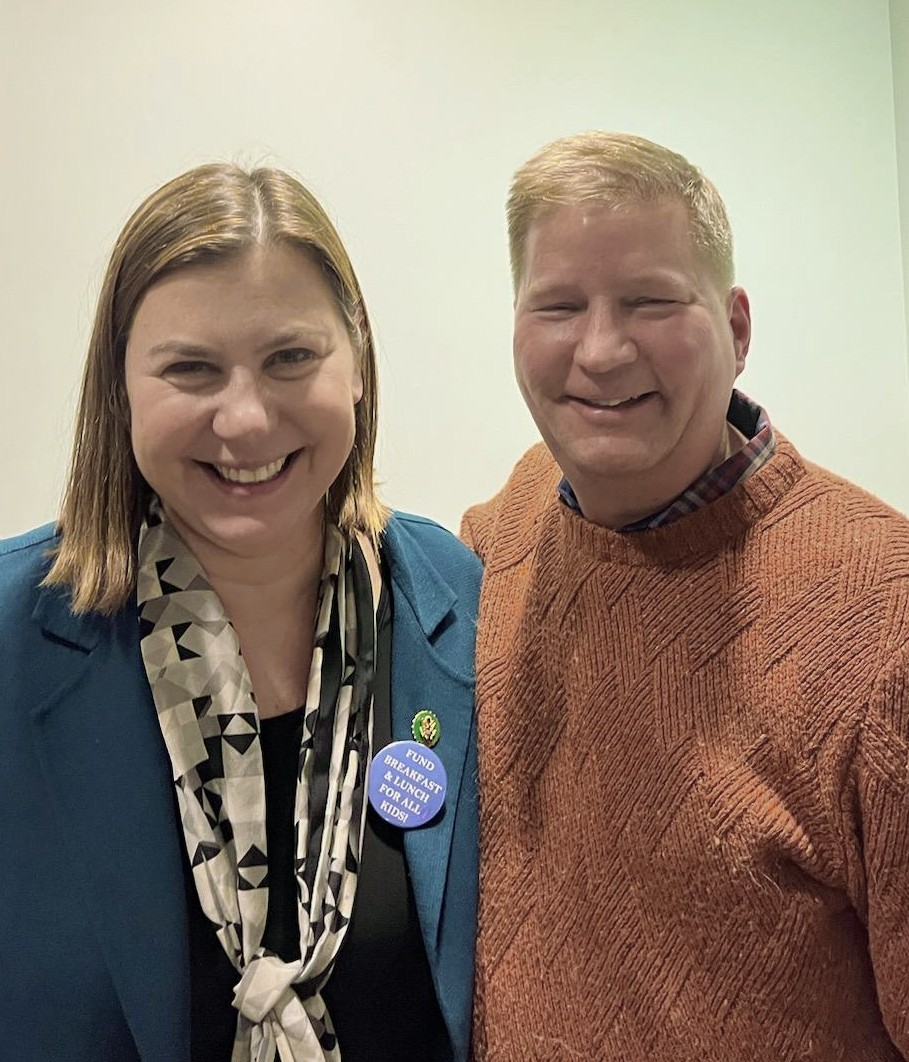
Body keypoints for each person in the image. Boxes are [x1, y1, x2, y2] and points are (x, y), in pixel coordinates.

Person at [0, 163, 481, 1062]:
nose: (247, 420)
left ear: (359, 362)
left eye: (291, 358)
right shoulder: (12, 636)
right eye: (191, 369)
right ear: (120, 387)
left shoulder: (456, 605)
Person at [462, 131, 909, 1061]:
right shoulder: (498, 532)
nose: (600, 349)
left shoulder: (885, 616)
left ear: (736, 327)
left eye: (650, 302)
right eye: (557, 305)